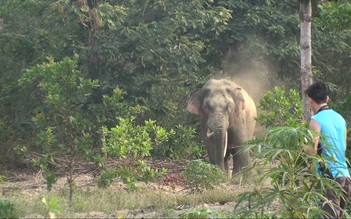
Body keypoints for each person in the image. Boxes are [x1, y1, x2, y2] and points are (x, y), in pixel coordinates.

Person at [305, 81, 351, 218]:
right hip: (345, 176)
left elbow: (311, 151)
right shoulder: (341, 119)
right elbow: (343, 147)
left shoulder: (315, 120)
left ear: (310, 100)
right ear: (327, 99)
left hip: (328, 177)